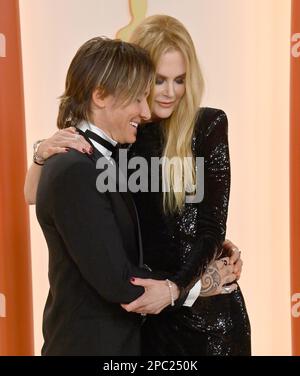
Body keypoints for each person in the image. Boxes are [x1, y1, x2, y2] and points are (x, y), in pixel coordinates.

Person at [25, 16, 249, 355]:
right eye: (157, 81)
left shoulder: (206, 126)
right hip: (141, 315)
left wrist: (181, 285)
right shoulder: (117, 137)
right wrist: (42, 153)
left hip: (201, 317)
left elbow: (210, 228)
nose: (168, 93)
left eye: (180, 80)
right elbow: (44, 196)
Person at [35, 36, 185, 356]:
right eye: (137, 99)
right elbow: (119, 282)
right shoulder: (75, 169)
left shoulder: (98, 161)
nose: (145, 112)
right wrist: (192, 286)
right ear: (100, 95)